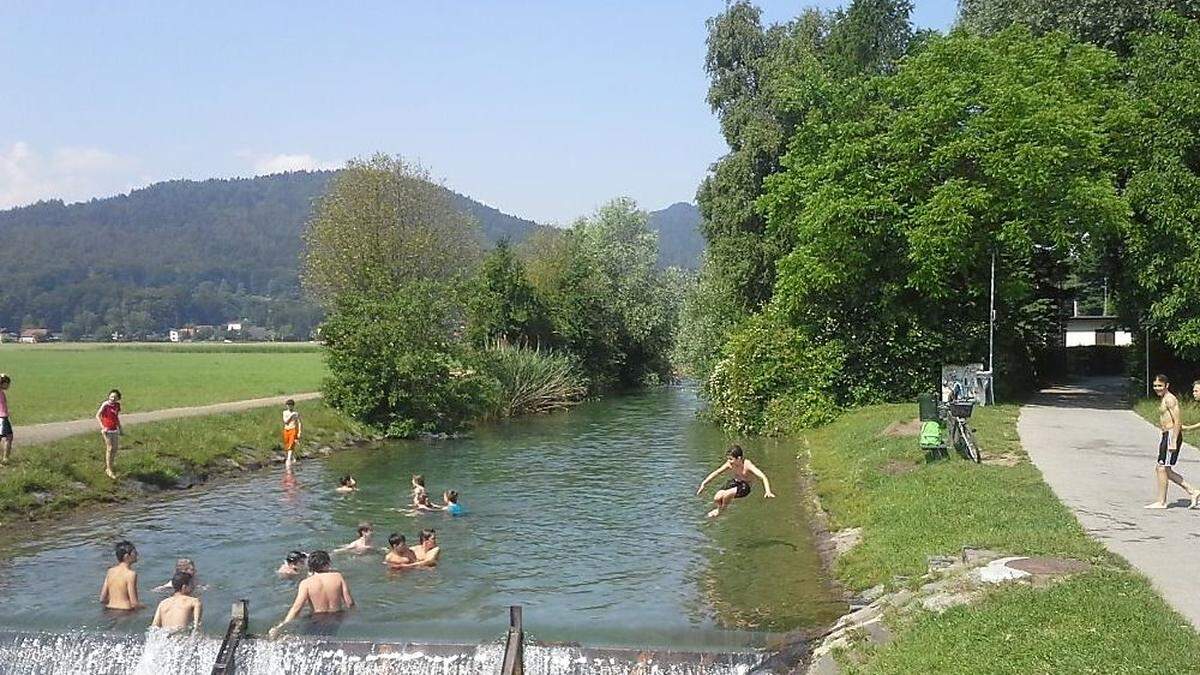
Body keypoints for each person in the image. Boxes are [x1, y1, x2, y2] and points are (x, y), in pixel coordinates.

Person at [268, 550, 353, 638]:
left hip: (317, 618)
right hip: (337, 616)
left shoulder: (306, 583)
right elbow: (350, 603)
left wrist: (281, 626)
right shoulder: (338, 576)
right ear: (328, 563)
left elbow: (296, 609)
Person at [1145, 374, 1200, 509]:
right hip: (1166, 434)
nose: (1157, 388)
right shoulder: (1164, 398)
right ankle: (1192, 491)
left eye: (1160, 386)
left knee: (1162, 468)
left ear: (1167, 386)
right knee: (1164, 469)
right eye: (1155, 386)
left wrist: (1174, 440)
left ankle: (1162, 501)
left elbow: (1177, 420)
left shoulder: (1170, 399)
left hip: (1171, 436)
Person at [696, 444, 777, 518]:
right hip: (735, 482)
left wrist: (768, 491)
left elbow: (763, 477)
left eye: (731, 459)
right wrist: (704, 484)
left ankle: (721, 511)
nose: (729, 461)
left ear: (739, 458)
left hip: (745, 487)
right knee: (717, 498)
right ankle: (719, 509)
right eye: (728, 459)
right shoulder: (729, 464)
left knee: (726, 494)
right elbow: (716, 473)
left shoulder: (747, 465)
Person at [100, 540, 143, 610]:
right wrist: (146, 608)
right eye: (134, 553)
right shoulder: (131, 574)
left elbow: (102, 599)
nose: (137, 554)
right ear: (126, 556)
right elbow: (134, 603)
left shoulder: (110, 571)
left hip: (108, 610)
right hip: (125, 612)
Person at [96, 389, 123, 479]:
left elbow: (116, 417)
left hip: (114, 429)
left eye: (115, 397)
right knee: (110, 448)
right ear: (108, 396)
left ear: (118, 398)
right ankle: (109, 470)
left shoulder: (117, 406)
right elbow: (97, 415)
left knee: (115, 448)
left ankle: (110, 466)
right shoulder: (105, 405)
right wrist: (103, 427)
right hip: (107, 430)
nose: (112, 398)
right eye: (111, 396)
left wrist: (120, 428)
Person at [282, 399, 302, 470]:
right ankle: (293, 458)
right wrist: (291, 415)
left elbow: (299, 422)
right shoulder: (285, 412)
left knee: (291, 445)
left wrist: (299, 431)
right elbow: (285, 422)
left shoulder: (296, 413)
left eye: (290, 405)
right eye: (288, 405)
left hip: (293, 429)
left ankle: (288, 460)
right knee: (287, 446)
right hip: (286, 430)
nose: (289, 406)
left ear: (293, 406)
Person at [0, 374, 12, 464]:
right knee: (9, 437)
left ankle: (4, 458)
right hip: (2, 417)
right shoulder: (0, 393)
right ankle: (5, 459)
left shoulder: (1, 392)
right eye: (7, 383)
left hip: (2, 417)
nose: (8, 385)